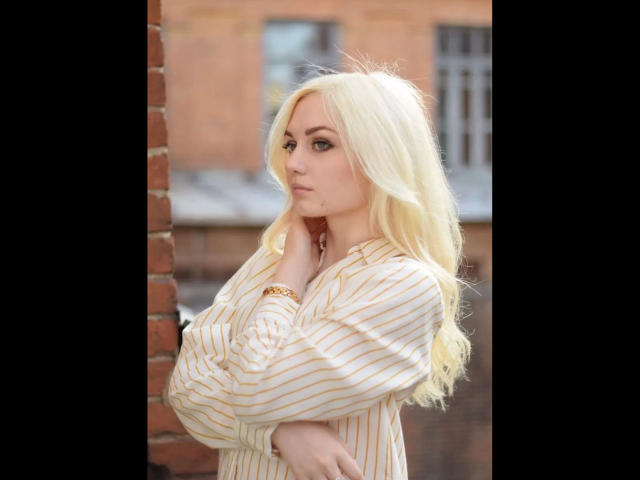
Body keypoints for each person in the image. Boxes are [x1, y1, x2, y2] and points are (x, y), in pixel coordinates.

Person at [168, 58, 472, 480]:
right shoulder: (276, 257)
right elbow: (187, 387)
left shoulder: (404, 286)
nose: (293, 163)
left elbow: (256, 388)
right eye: (290, 144)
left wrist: (288, 281)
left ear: (380, 156)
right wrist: (280, 433)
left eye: (321, 144)